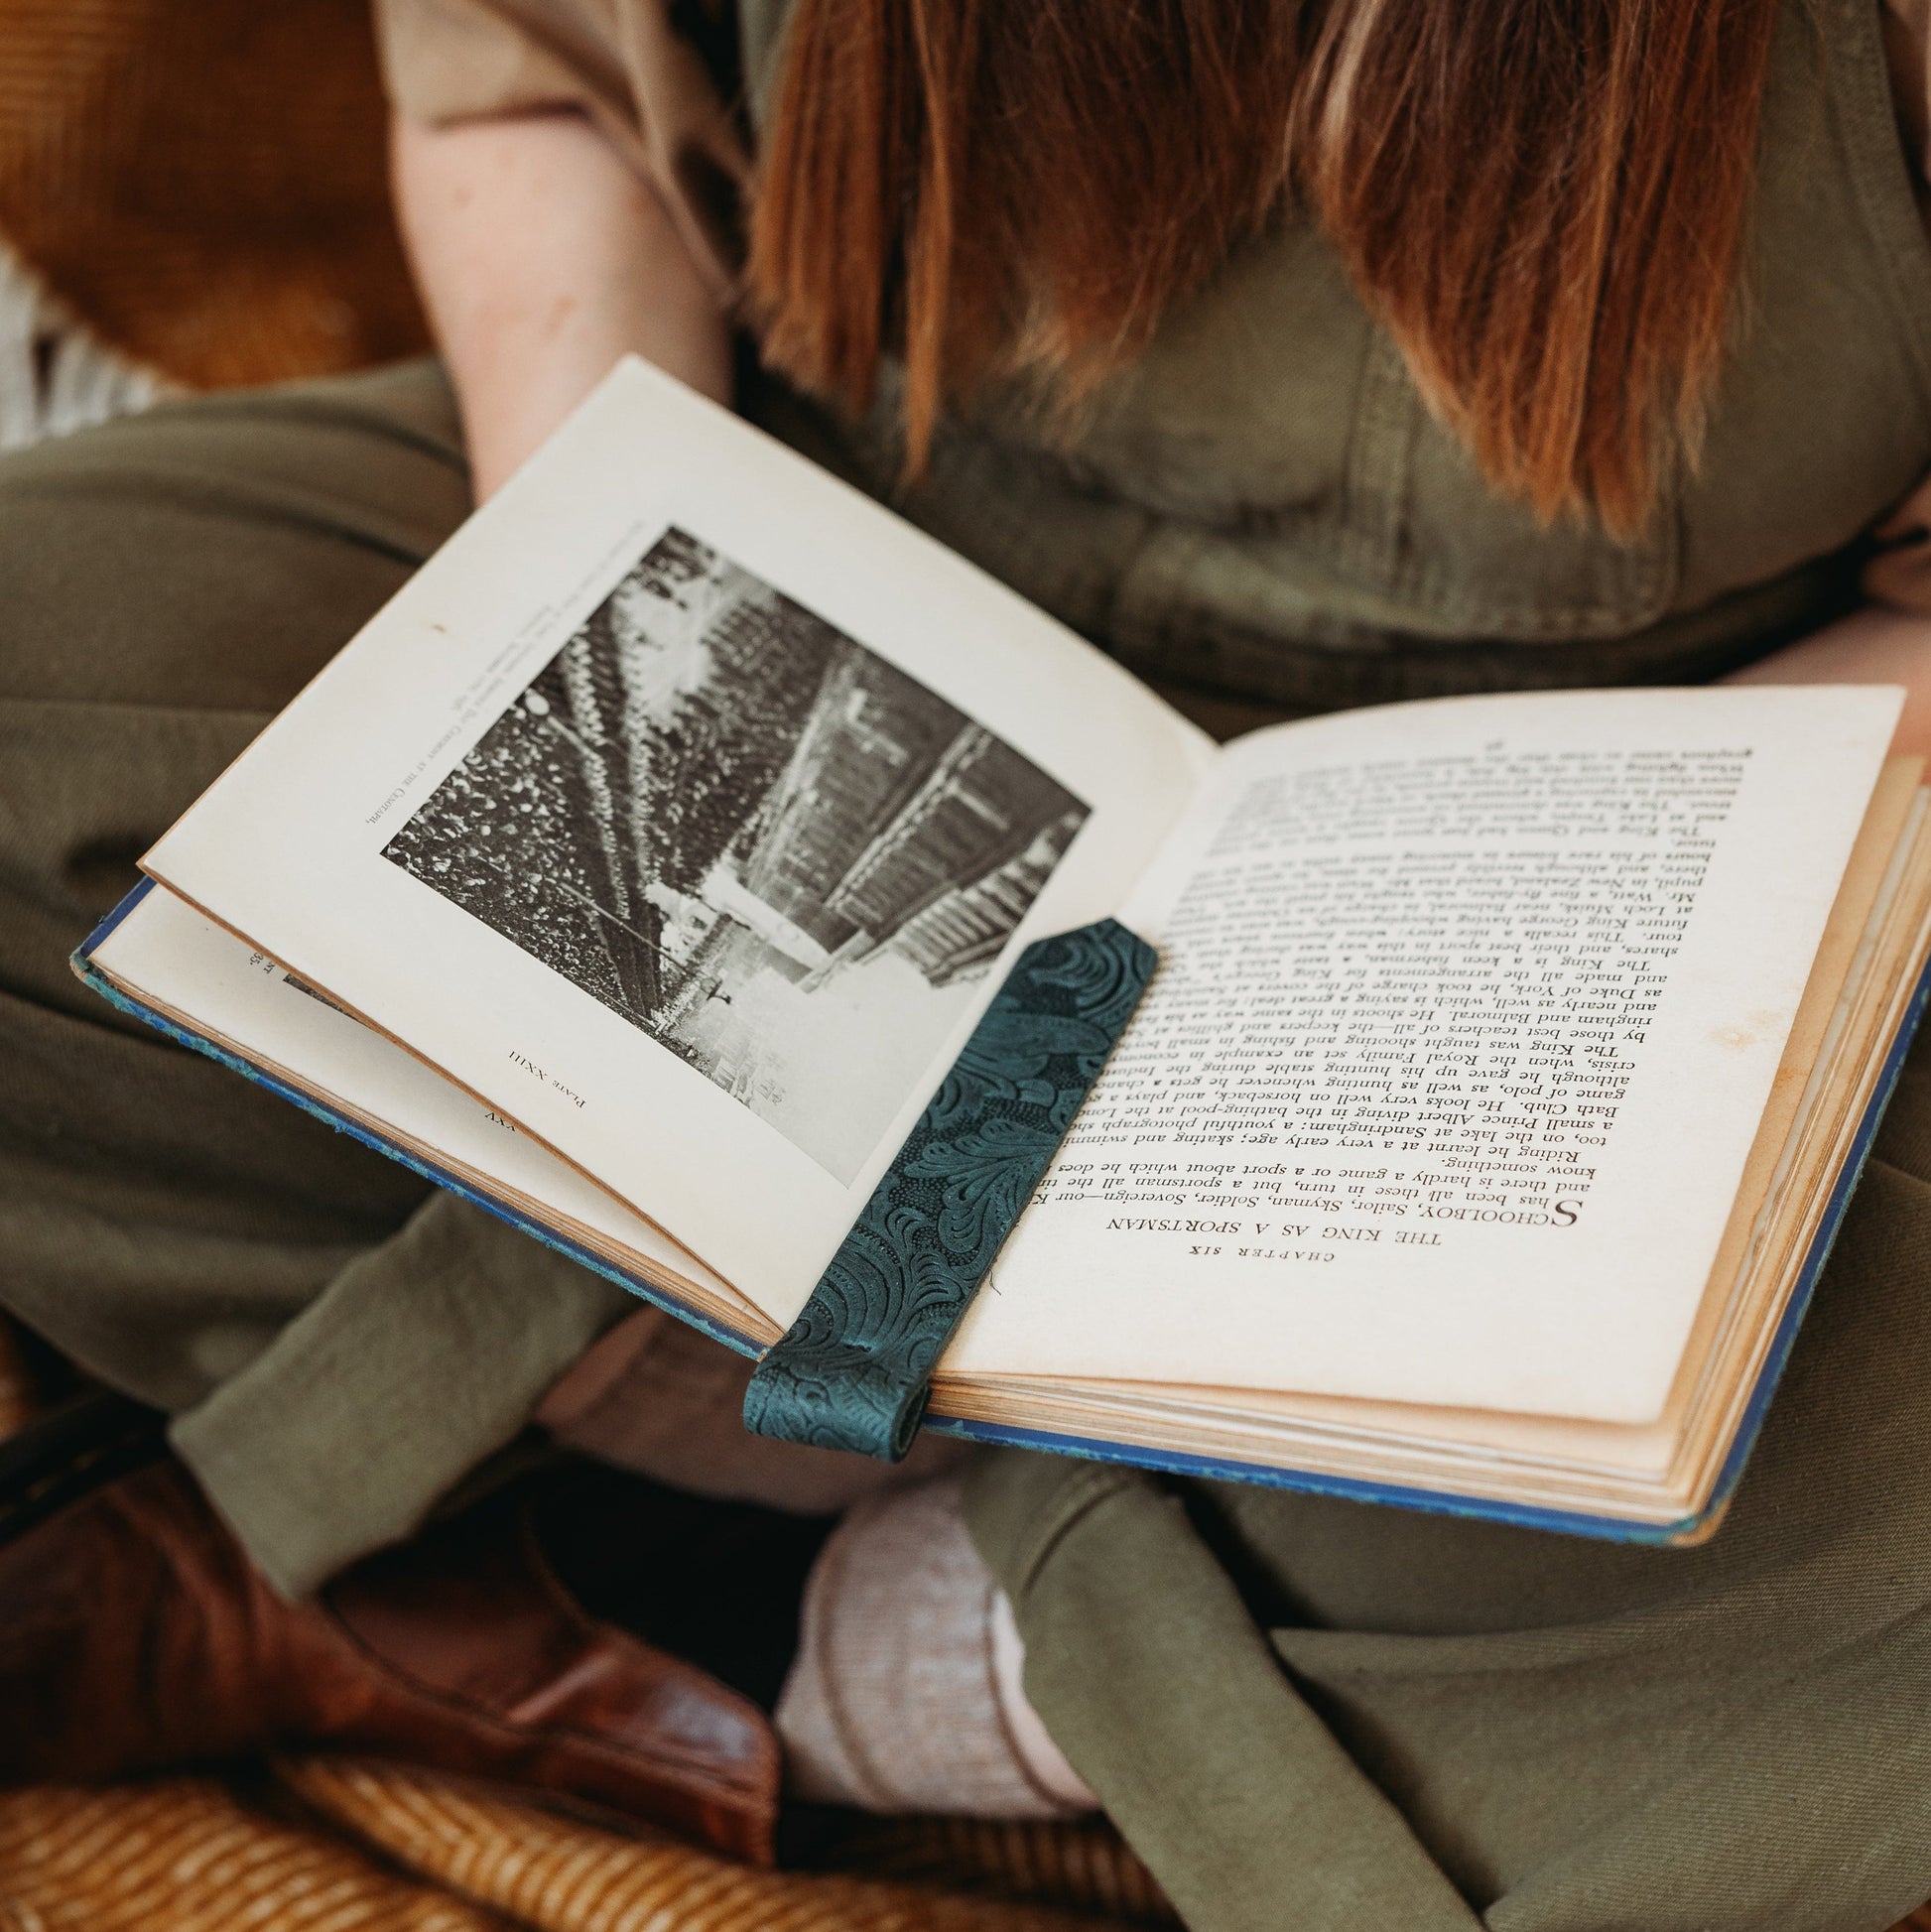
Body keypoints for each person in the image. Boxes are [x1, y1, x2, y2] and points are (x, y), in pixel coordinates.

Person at [5, 0, 1931, 1924]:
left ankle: (757, 1598)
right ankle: (1159, 1584)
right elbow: (530, 92)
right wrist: (595, 600)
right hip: (835, 531)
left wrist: (1596, 876)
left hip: (1647, 760)